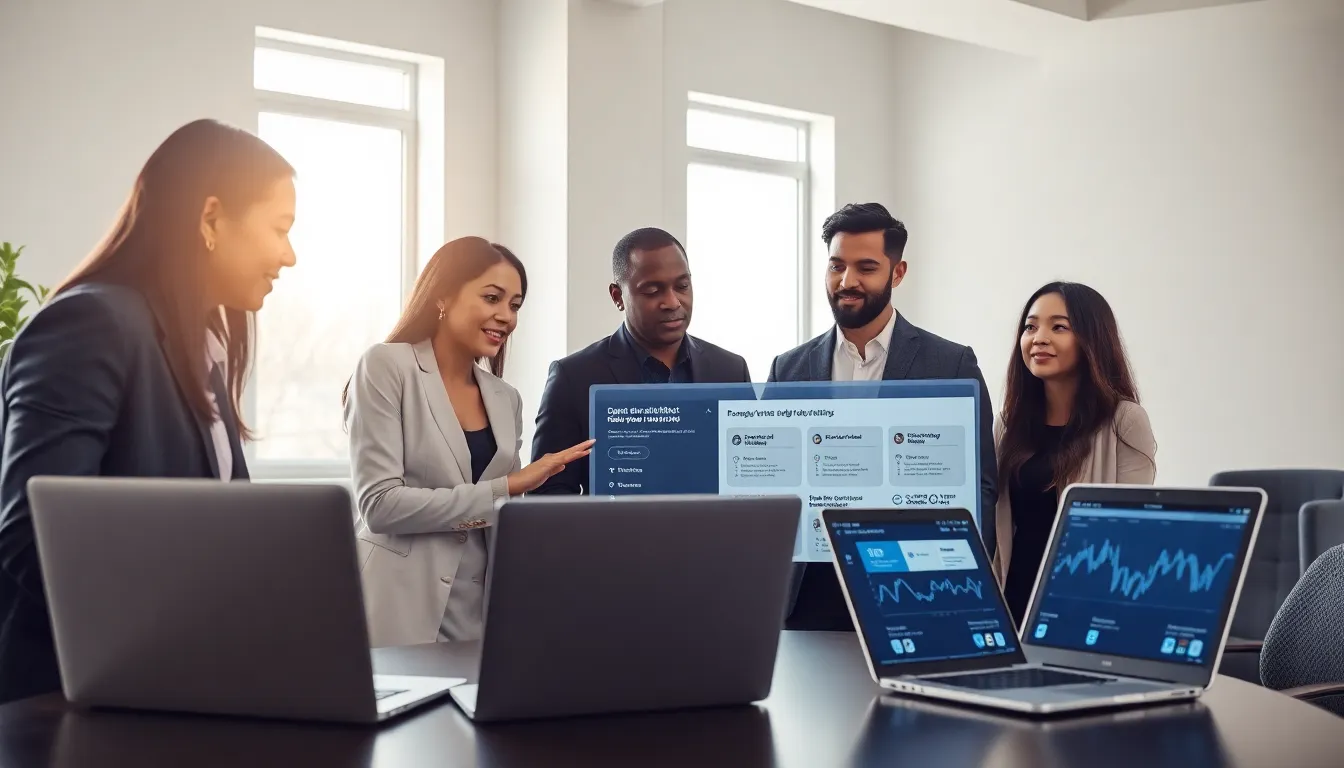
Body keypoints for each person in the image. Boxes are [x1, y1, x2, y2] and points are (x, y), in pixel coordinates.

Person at [0, 119, 297, 703]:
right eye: (280, 229)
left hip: (176, 687)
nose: (289, 255)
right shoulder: (92, 323)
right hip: (71, 700)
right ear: (211, 218)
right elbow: (36, 536)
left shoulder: (201, 347)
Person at [343, 237, 592, 647]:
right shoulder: (387, 366)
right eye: (492, 297)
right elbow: (380, 506)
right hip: (395, 607)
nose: (506, 316)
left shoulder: (505, 397)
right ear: (443, 295)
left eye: (515, 305)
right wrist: (509, 487)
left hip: (476, 615)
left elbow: (498, 520)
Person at [768, 203, 998, 632]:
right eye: (836, 266)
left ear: (897, 272)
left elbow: (981, 484)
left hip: (911, 582)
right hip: (809, 593)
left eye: (866, 267)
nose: (847, 281)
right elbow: (768, 482)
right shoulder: (788, 368)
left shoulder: (951, 364)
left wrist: (958, 582)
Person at [529, 227, 751, 495]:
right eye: (652, 291)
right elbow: (548, 497)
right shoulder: (574, 377)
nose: (672, 302)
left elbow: (748, 476)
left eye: (682, 286)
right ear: (617, 296)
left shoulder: (730, 370)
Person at [993, 281, 1156, 624]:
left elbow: (1131, 534)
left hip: (1085, 605)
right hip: (1014, 600)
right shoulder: (1010, 422)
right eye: (1030, 326)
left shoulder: (1124, 420)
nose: (1039, 338)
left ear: (1091, 340)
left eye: (1059, 327)